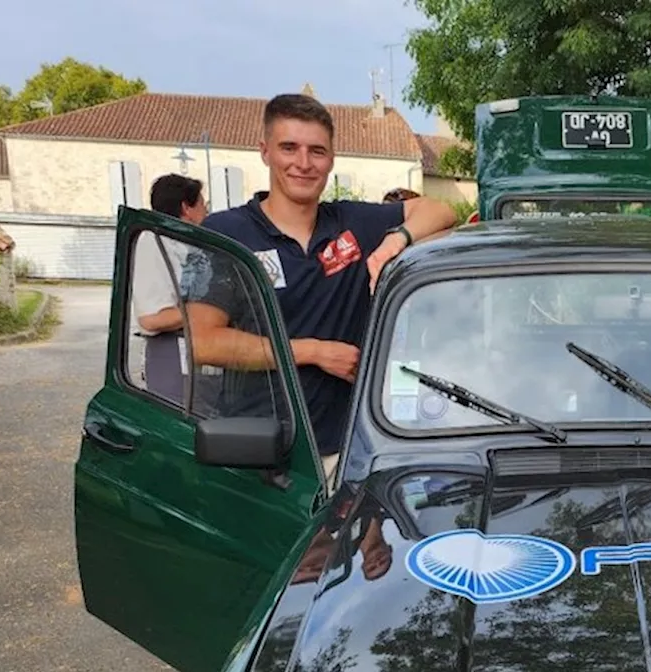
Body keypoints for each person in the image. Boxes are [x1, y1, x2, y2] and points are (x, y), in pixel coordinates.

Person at [185, 93, 458, 479]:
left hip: (348, 455)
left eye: (317, 151)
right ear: (264, 152)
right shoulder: (226, 233)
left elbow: (441, 210)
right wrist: (313, 352)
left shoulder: (351, 223)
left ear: (331, 159)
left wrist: (396, 240)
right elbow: (204, 342)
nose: (303, 163)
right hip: (259, 456)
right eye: (288, 148)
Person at [130, 173, 208, 404]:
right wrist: (212, 311)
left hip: (197, 352)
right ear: (187, 208)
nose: (206, 212)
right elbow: (152, 318)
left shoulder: (185, 243)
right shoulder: (153, 243)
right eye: (203, 205)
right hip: (171, 355)